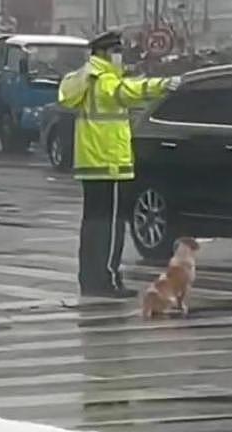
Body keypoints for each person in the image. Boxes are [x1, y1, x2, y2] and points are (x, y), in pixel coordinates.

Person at [58, 31, 178, 298]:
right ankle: (107, 280)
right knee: (111, 227)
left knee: (92, 225)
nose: (120, 57)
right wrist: (161, 85)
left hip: (92, 162)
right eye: (117, 52)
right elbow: (129, 92)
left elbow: (66, 95)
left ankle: (89, 279)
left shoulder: (85, 78)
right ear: (104, 53)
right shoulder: (103, 80)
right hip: (109, 162)